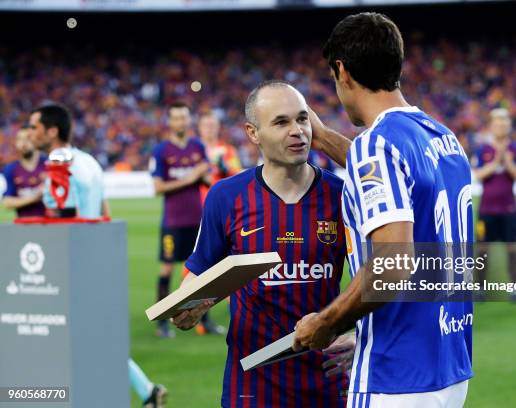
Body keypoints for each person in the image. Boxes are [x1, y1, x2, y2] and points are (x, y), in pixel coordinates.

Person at [292, 13, 473, 407]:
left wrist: (327, 322)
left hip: (395, 374)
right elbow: (391, 177)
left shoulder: (377, 144)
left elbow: (392, 263)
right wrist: (323, 139)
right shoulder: (442, 137)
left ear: (342, 71)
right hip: (450, 364)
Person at [171, 80, 354, 408]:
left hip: (328, 381)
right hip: (253, 386)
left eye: (302, 119)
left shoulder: (341, 195)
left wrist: (358, 333)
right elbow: (197, 275)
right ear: (253, 133)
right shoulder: (226, 197)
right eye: (281, 122)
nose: (297, 131)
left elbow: (381, 278)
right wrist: (185, 308)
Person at [28, 103, 167, 407]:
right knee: (90, 338)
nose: (29, 132)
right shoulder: (89, 161)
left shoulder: (57, 164)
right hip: (95, 260)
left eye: (34, 127)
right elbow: (104, 213)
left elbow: (66, 217)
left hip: (69, 264)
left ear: (52, 131)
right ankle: (146, 390)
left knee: (54, 336)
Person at [150, 102, 224, 337]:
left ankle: (205, 319)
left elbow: (206, 179)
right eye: (176, 118)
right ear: (170, 122)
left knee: (203, 271)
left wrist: (207, 177)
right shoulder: (161, 151)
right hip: (172, 221)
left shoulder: (198, 147)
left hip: (197, 219)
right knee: (167, 269)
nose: (181, 122)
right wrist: (192, 176)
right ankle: (162, 323)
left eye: (184, 118)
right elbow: (158, 187)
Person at [473, 108, 516, 304]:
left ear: (509, 126)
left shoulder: (515, 149)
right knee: (482, 251)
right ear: (491, 126)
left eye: (504, 122)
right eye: (497, 122)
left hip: (509, 209)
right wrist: (496, 161)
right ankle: (479, 290)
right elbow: (478, 175)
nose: (501, 126)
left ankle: (515, 291)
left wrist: (507, 161)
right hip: (487, 209)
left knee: (512, 250)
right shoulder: (483, 149)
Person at [1, 125, 46, 217]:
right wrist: (34, 198)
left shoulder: (49, 164)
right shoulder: (10, 169)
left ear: (36, 140)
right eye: (20, 139)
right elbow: (6, 202)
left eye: (28, 138)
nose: (23, 143)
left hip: (52, 225)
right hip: (23, 226)